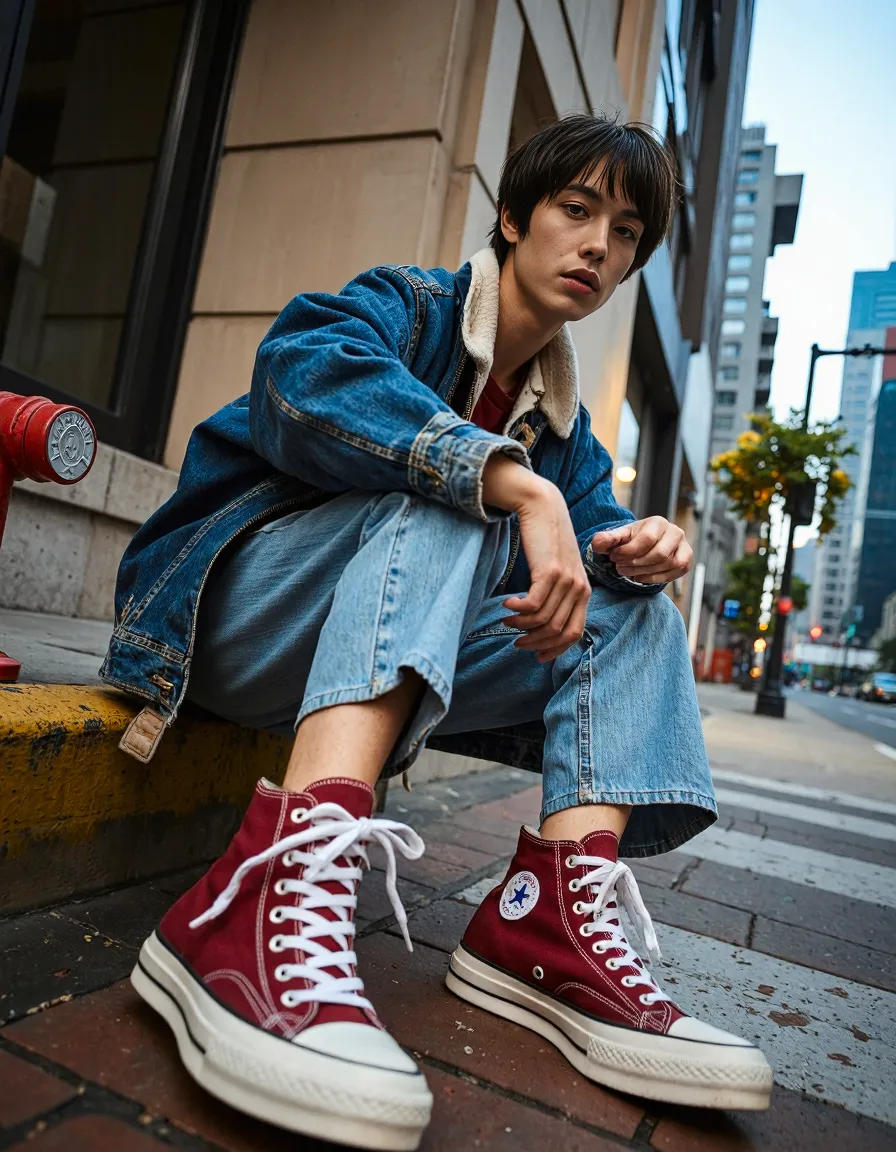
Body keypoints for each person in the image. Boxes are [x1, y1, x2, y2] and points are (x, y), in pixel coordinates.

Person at [104, 114, 772, 1151]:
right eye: (575, 209)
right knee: (449, 495)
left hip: (363, 653)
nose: (599, 244)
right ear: (512, 219)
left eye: (626, 230)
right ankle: (268, 885)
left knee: (634, 613)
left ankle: (542, 922)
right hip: (224, 621)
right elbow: (297, 376)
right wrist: (510, 485)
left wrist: (631, 547)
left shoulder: (568, 433)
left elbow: (582, 553)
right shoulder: (400, 305)